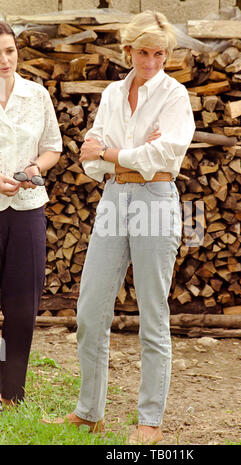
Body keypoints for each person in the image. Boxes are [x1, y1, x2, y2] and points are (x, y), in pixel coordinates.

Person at [44, 10, 195, 443]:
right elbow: (89, 157)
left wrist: (111, 152)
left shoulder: (175, 95)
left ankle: (149, 421)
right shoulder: (112, 92)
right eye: (143, 53)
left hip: (155, 199)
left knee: (153, 313)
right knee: (90, 311)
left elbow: (167, 154)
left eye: (159, 54)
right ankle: (89, 412)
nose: (150, 62)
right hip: (114, 199)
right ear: (128, 51)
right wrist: (122, 154)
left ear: (167, 55)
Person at [0, 21, 62, 409]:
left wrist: (36, 168)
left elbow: (52, 147)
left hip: (26, 210)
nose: (4, 61)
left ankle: (10, 391)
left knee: (22, 308)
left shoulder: (36, 95)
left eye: (9, 51)